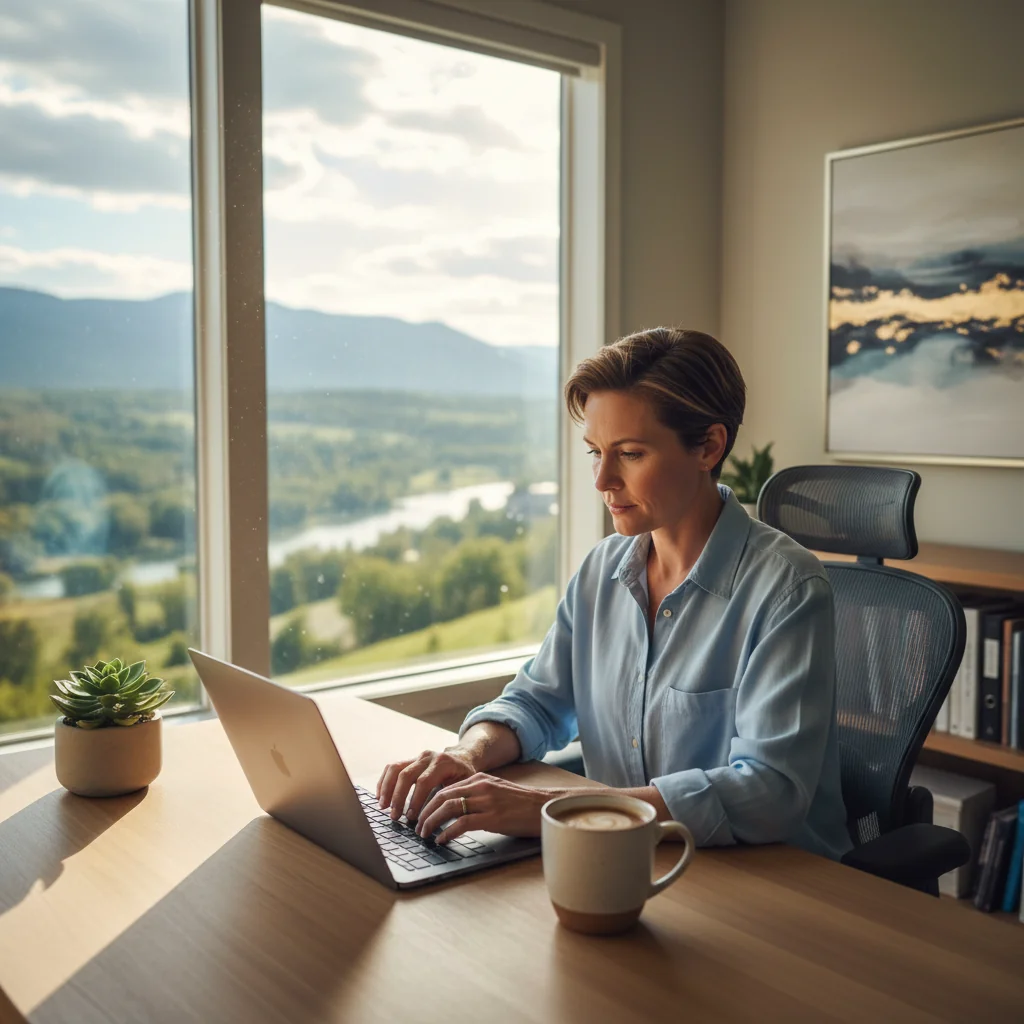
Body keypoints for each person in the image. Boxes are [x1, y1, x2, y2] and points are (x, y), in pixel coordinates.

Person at [376, 327, 852, 861]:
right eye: (595, 452)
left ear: (709, 446)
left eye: (629, 453)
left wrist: (554, 809)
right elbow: (536, 702)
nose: (603, 480)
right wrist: (468, 754)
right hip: (629, 860)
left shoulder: (787, 588)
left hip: (770, 877)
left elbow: (769, 791)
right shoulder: (602, 571)